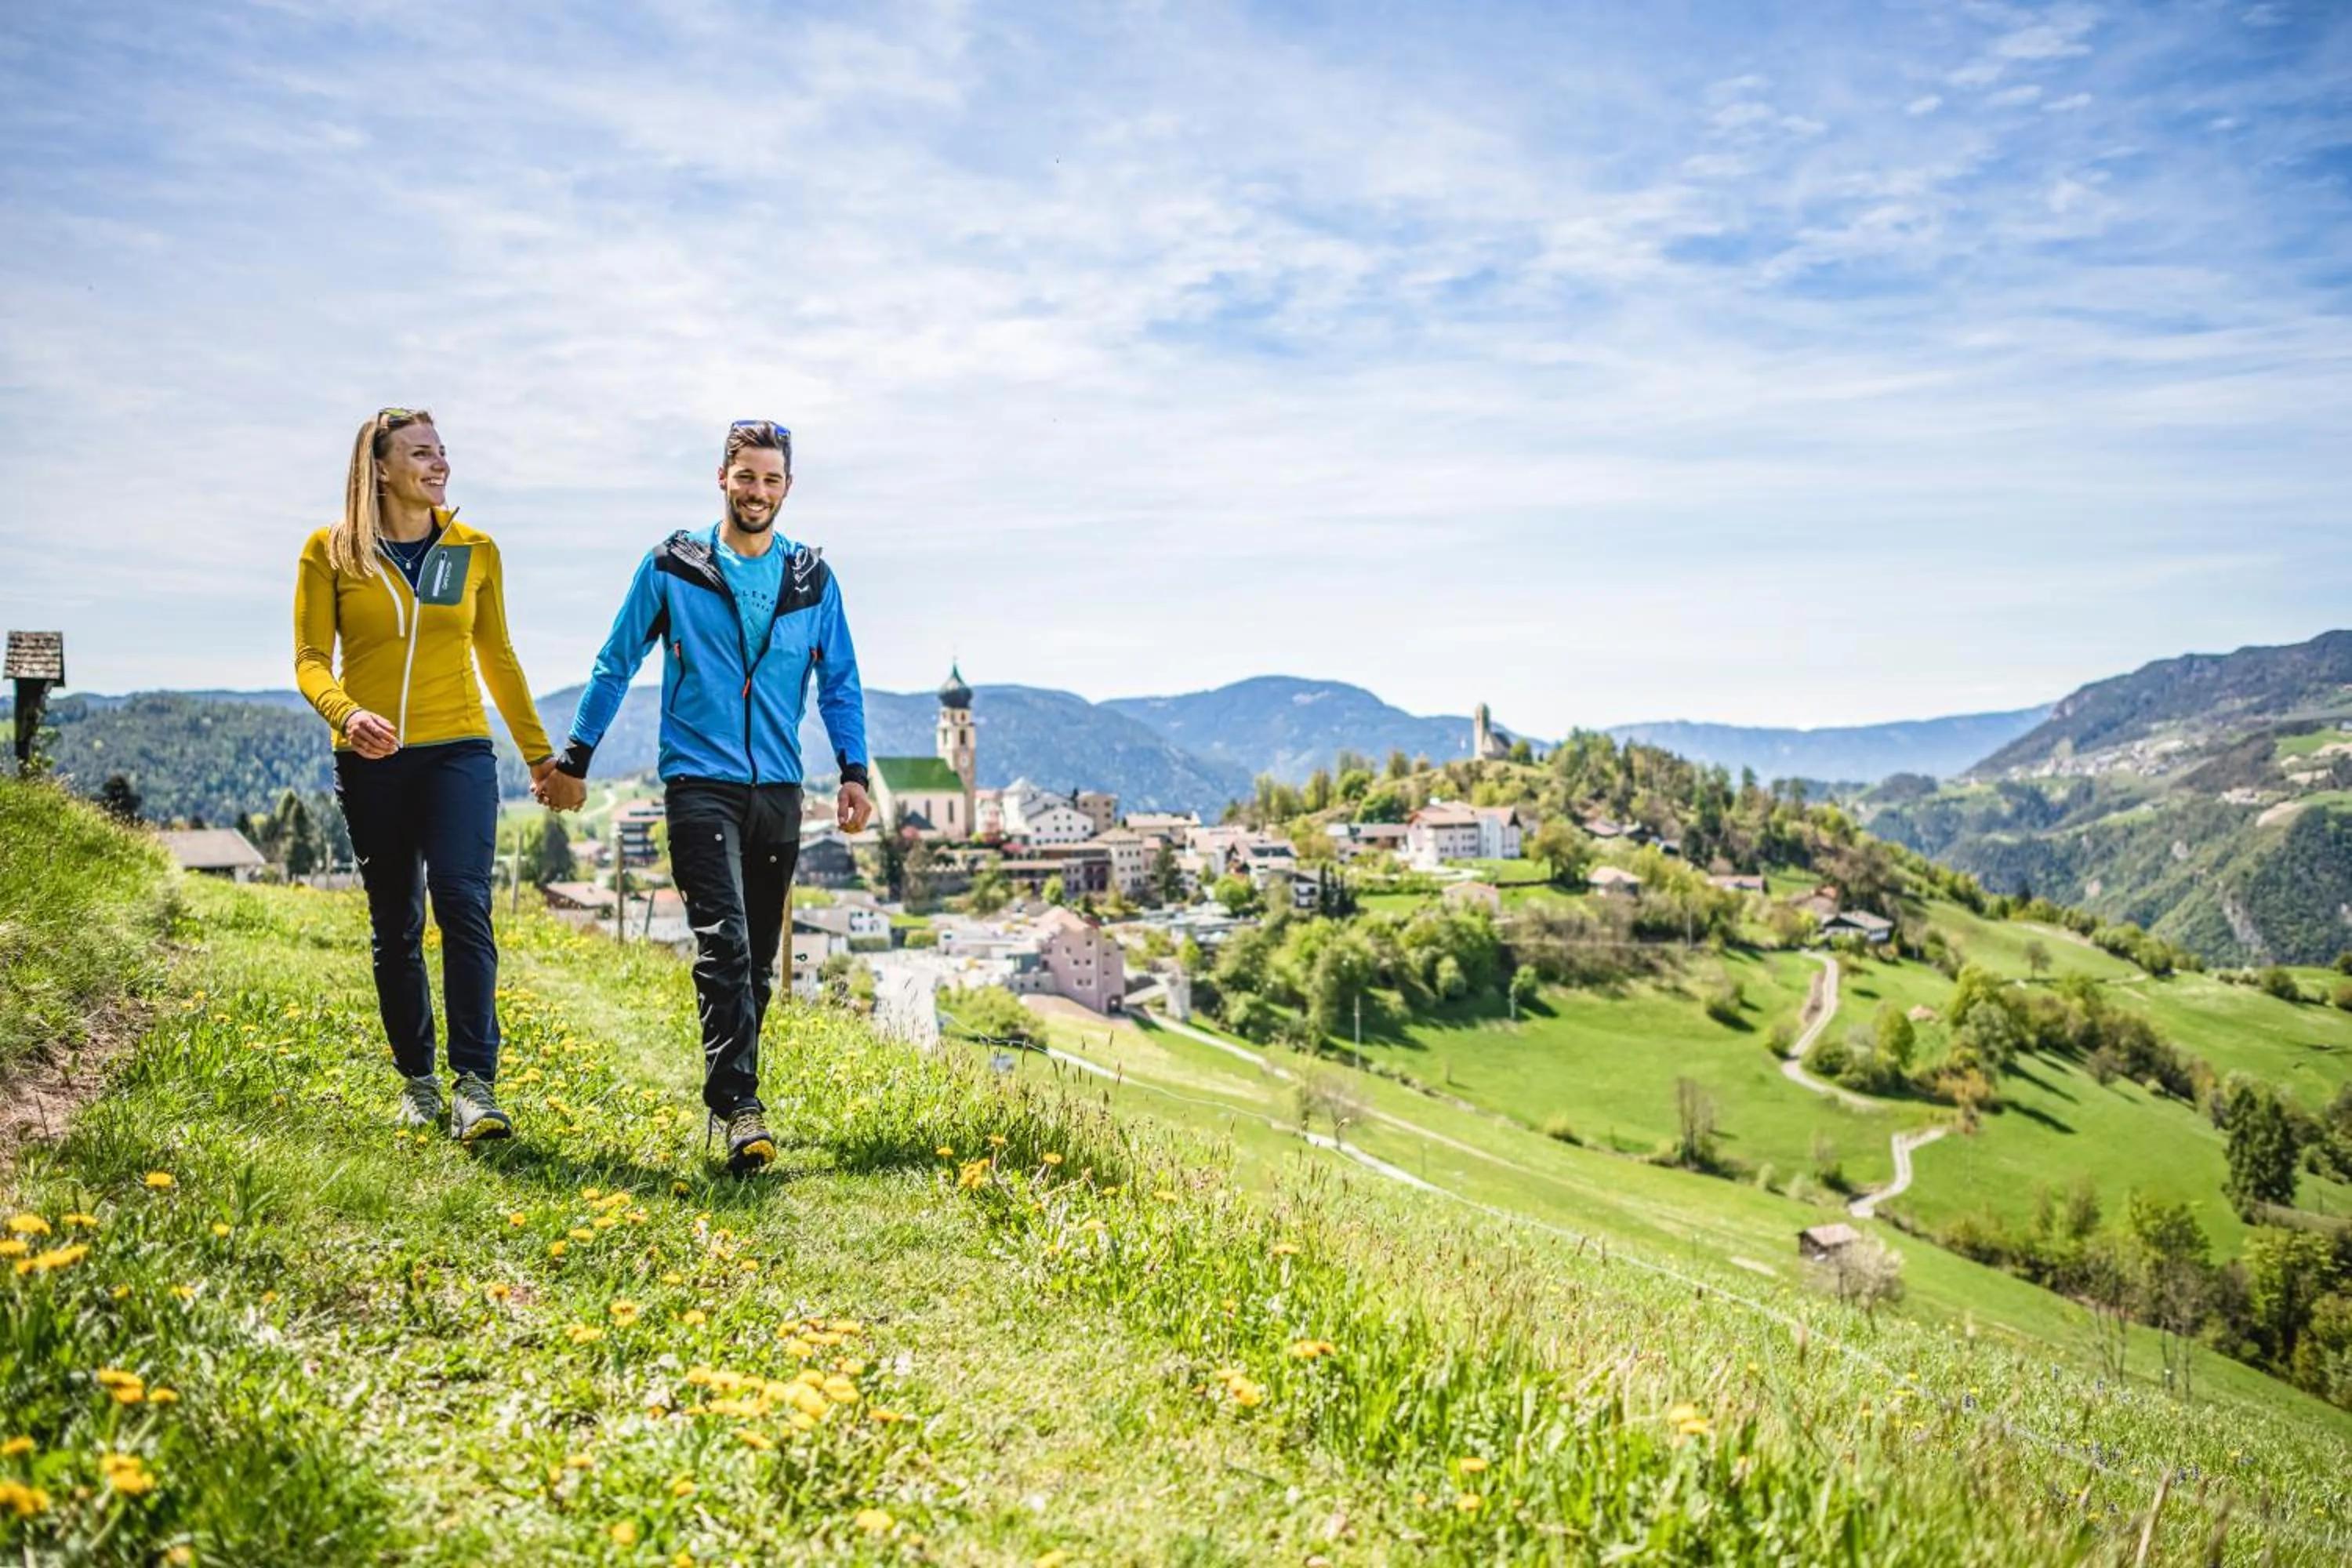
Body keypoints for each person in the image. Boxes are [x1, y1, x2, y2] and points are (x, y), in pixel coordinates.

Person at [541, 419, 873, 1172]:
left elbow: (840, 681)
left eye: (771, 480)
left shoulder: (812, 579)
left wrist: (853, 771)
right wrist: (576, 757)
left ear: (788, 488)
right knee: (722, 942)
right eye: (746, 477)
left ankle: (735, 1096)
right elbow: (614, 662)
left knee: (755, 959)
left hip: (779, 788)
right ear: (721, 478)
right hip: (699, 782)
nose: (758, 492)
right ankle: (738, 1110)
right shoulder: (674, 566)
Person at [295, 407, 559, 1142]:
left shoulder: (473, 550)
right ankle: (418, 1081)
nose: (438, 464)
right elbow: (311, 659)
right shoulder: (332, 551)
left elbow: (497, 657)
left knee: (464, 903)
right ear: (379, 467)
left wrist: (541, 756)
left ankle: (476, 1084)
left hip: (459, 752)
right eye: (420, 453)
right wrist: (347, 715)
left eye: (442, 452)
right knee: (396, 923)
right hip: (371, 758)